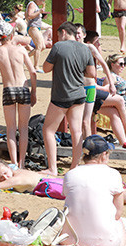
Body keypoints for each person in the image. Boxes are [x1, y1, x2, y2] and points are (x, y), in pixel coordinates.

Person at [61, 135, 126, 246]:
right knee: (120, 223)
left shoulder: (70, 174)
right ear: (104, 155)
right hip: (104, 243)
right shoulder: (112, 174)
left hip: (70, 241)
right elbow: (118, 211)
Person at [0, 21, 37, 169]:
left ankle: (13, 162)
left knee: (11, 129)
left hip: (8, 89)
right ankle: (22, 162)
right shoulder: (21, 50)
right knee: (23, 128)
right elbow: (33, 72)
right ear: (12, 34)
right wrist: (34, 92)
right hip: (23, 88)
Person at [41, 22, 95, 175]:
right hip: (79, 94)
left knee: (48, 130)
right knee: (76, 132)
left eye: (58, 35)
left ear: (64, 32)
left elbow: (45, 68)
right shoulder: (85, 48)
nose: (58, 38)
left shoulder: (59, 47)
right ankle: (74, 167)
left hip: (61, 95)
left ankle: (52, 168)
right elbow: (91, 73)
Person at [25, 0, 48, 71]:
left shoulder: (36, 5)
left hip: (37, 27)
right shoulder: (32, 4)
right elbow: (29, 16)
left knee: (43, 47)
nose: (43, 3)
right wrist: (39, 12)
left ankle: (25, 57)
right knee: (38, 46)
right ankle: (36, 66)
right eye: (42, 1)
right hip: (33, 27)